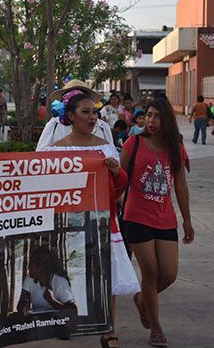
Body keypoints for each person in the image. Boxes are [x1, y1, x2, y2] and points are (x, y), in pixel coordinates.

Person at [38, 89, 140, 348]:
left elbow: (117, 190)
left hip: (103, 222)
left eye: (94, 112)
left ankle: (110, 330)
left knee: (107, 276)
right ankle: (69, 320)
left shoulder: (105, 147)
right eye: (86, 112)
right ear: (70, 116)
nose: (93, 117)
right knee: (71, 278)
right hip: (69, 226)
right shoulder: (55, 152)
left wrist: (117, 174)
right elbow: (47, 190)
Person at [121, 97, 194, 347]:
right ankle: (156, 326)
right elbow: (121, 179)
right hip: (136, 216)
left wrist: (187, 220)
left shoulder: (175, 146)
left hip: (165, 218)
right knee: (150, 272)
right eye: (149, 115)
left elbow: (181, 186)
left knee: (169, 274)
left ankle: (142, 300)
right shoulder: (134, 143)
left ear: (168, 121)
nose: (151, 121)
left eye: (157, 117)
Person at [37, 80, 113, 151]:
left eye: (94, 112)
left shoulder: (103, 127)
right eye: (85, 111)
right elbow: (42, 157)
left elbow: (111, 154)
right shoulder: (54, 125)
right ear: (70, 114)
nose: (91, 117)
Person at [16, 246, 76, 314]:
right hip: (38, 322)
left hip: (58, 322)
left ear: (41, 267)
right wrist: (23, 308)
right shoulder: (29, 278)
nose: (28, 268)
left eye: (30, 265)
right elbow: (20, 304)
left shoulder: (60, 282)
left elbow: (73, 313)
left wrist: (51, 301)